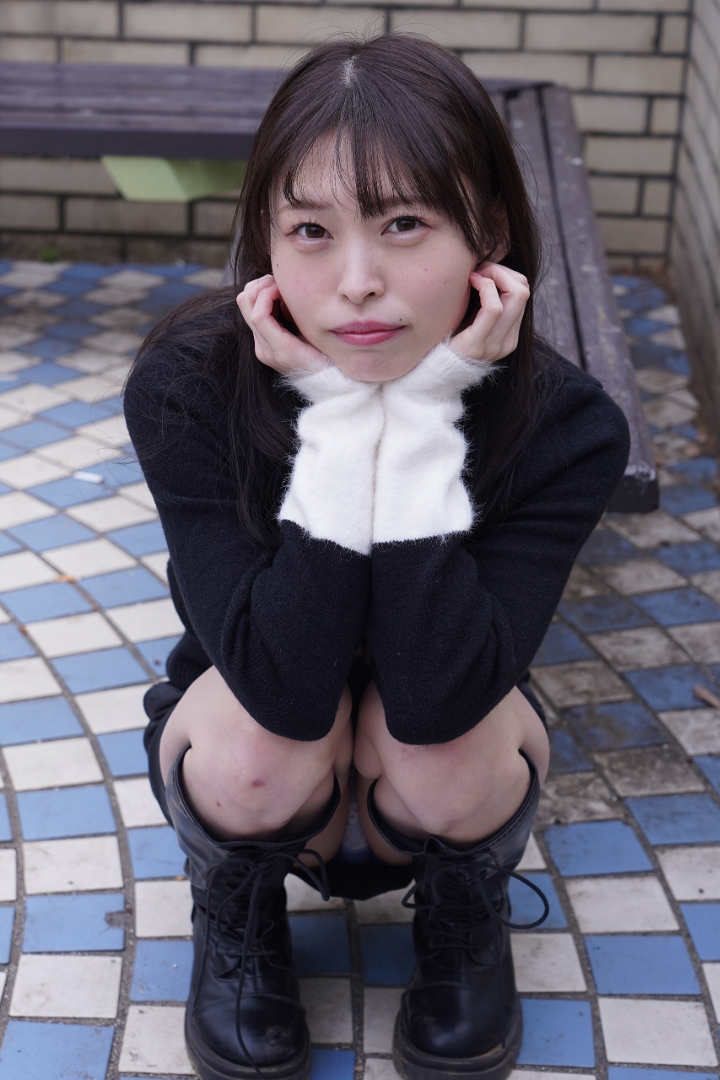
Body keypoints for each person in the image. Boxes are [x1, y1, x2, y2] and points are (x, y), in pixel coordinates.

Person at [125, 33, 630, 1080]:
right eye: (310, 231)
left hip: (438, 753)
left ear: (488, 230)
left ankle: (462, 917)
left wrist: (421, 420)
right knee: (258, 748)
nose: (356, 282)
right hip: (260, 743)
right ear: (267, 241)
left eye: (404, 224)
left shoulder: (565, 425)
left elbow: (442, 699)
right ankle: (239, 911)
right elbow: (281, 690)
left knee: (443, 750)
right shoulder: (188, 385)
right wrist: (341, 422)